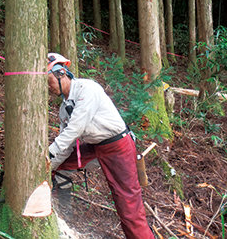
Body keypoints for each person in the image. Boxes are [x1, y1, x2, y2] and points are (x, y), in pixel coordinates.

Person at [48, 53, 154, 239]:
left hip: (117, 145)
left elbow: (75, 128)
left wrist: (49, 153)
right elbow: (66, 144)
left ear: (61, 73)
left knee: (127, 202)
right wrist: (48, 165)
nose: (48, 87)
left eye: (49, 81)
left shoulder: (87, 89)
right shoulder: (64, 108)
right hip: (94, 146)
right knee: (59, 164)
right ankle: (58, 208)